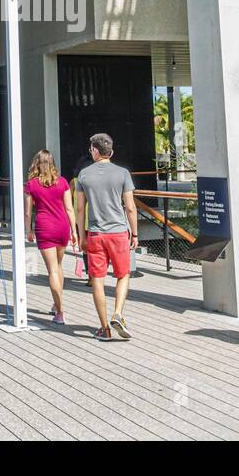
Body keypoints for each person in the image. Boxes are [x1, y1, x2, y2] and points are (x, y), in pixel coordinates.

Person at [74, 133, 138, 341]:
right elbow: (130, 208)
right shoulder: (122, 173)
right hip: (119, 233)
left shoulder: (83, 175)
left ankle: (105, 329)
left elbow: (80, 209)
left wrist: (80, 236)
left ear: (94, 150)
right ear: (111, 151)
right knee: (123, 275)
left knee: (98, 281)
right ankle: (118, 313)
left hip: (95, 233)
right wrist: (135, 233)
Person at [24, 149, 77, 325]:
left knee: (52, 270)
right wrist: (74, 231)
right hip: (62, 227)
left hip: (44, 228)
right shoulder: (62, 182)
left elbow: (27, 213)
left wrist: (28, 230)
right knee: (59, 267)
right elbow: (70, 209)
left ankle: (60, 312)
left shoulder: (31, 185)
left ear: (37, 163)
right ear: (52, 163)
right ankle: (56, 304)